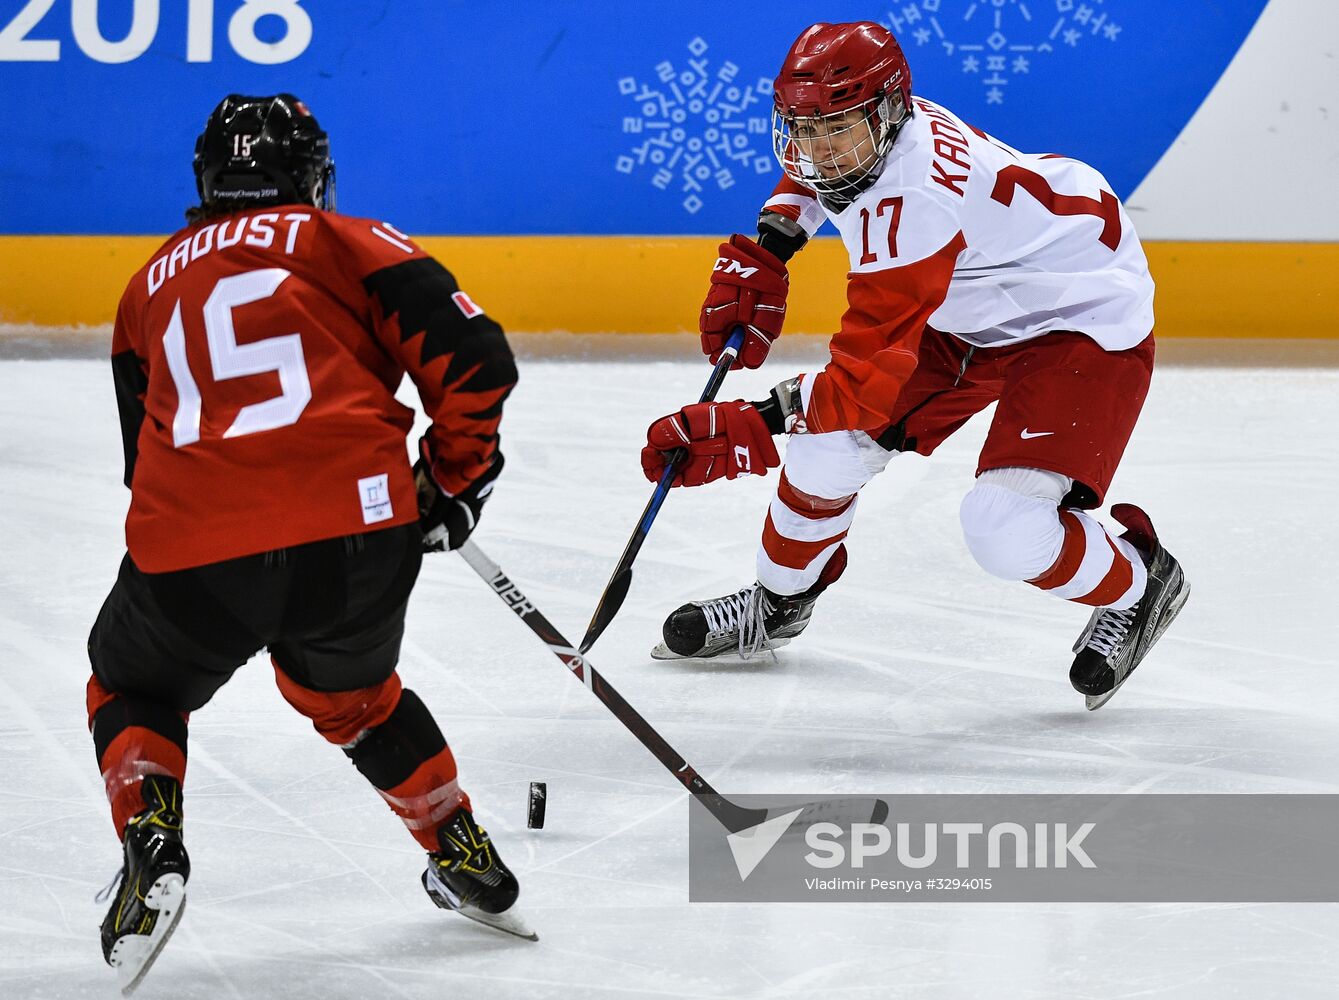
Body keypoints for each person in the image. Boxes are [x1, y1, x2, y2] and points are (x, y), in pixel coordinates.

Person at [89, 93, 530, 991]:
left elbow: (145, 457)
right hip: (356, 539)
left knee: (133, 683)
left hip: (194, 550)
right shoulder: (351, 242)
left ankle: (153, 841)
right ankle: (460, 848)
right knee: (359, 699)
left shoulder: (147, 286)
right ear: (312, 176)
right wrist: (448, 481)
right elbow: (477, 360)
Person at [640, 22, 1190, 710]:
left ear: (889, 109)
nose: (816, 150)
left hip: (1074, 313)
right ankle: (778, 606)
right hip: (972, 297)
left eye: (835, 129)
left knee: (1004, 529)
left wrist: (752, 419)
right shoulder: (874, 132)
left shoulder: (913, 205)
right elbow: (821, 168)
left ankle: (1142, 583)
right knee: (822, 456)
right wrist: (774, 240)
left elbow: (860, 387)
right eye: (802, 128)